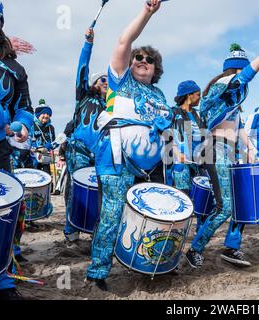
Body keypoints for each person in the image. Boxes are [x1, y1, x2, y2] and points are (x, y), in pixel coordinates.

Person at [86, 0, 172, 291]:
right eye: (138, 57)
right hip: (117, 161)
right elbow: (124, 41)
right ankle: (97, 272)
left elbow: (168, 130)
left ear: (156, 68)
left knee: (153, 214)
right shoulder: (121, 82)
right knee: (111, 214)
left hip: (151, 168)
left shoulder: (159, 94)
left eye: (148, 59)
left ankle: (147, 262)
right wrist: (147, 11)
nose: (141, 60)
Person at [185, 42, 259, 268]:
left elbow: (239, 129)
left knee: (239, 203)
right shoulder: (222, 85)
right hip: (215, 149)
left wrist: (253, 151)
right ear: (236, 70)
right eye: (243, 69)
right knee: (225, 207)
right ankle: (194, 249)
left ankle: (231, 246)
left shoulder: (234, 103)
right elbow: (246, 77)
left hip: (229, 152)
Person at [0, 0, 34, 300]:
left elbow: (24, 108)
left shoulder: (15, 67)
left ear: (1, 23)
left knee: (4, 208)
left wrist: (20, 125)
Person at [63, 27, 107, 243]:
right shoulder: (83, 96)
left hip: (98, 155)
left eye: (109, 81)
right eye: (103, 80)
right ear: (93, 84)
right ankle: (71, 232)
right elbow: (82, 68)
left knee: (97, 191)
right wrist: (88, 44)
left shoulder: (111, 106)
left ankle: (91, 227)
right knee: (77, 188)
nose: (106, 83)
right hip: (78, 150)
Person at [171, 80, 210, 232]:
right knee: (183, 196)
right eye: (197, 94)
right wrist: (177, 153)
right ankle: (179, 231)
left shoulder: (197, 114)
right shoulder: (173, 113)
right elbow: (167, 136)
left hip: (199, 162)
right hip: (181, 162)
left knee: (204, 195)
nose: (199, 98)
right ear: (189, 95)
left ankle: (201, 230)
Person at [32, 99, 55, 176]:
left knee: (47, 177)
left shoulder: (51, 128)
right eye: (44, 113)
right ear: (38, 114)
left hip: (45, 158)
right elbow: (27, 140)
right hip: (33, 158)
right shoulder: (32, 125)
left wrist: (50, 145)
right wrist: (36, 148)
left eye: (48, 114)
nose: (46, 115)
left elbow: (54, 142)